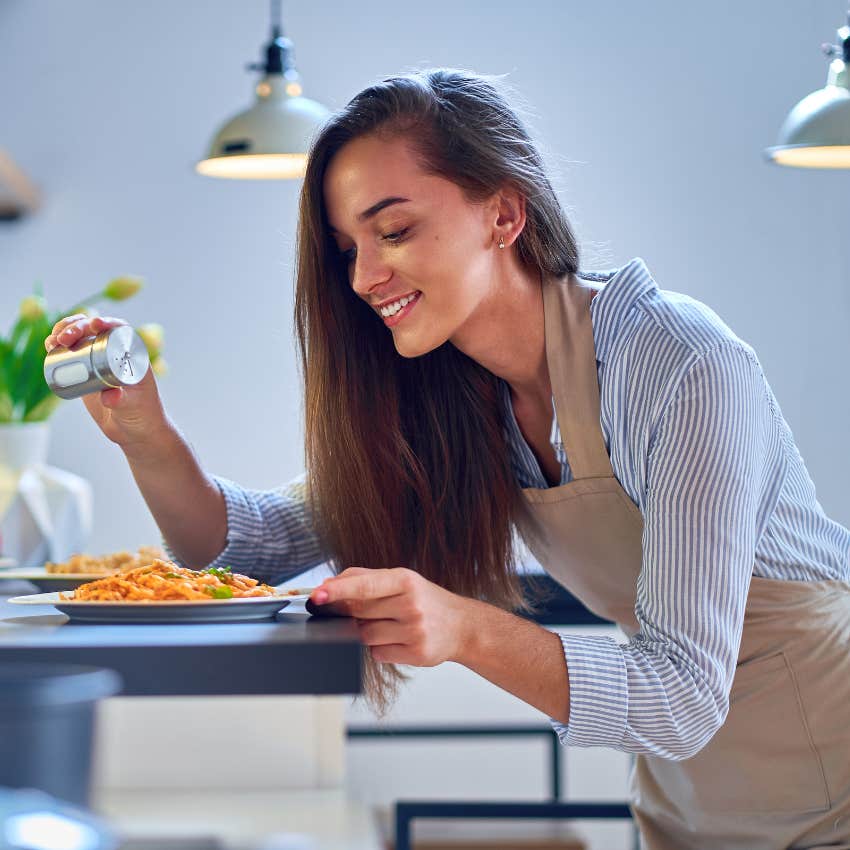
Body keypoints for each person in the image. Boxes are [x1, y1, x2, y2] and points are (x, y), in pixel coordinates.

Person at [45, 69, 850, 849]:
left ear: (504, 215)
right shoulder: (457, 396)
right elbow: (244, 548)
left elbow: (680, 696)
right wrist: (146, 433)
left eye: (392, 231)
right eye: (345, 248)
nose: (362, 277)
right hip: (687, 795)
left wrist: (465, 628)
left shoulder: (680, 365)